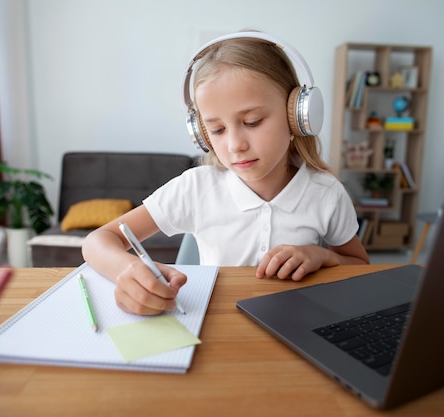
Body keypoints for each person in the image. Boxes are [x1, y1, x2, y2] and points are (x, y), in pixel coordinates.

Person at [82, 31, 369, 316]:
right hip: (219, 328)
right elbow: (99, 240)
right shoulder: (195, 188)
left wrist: (323, 255)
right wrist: (128, 270)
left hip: (295, 326)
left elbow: (361, 266)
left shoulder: (326, 193)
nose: (235, 145)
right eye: (217, 130)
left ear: (296, 116)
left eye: (252, 122)